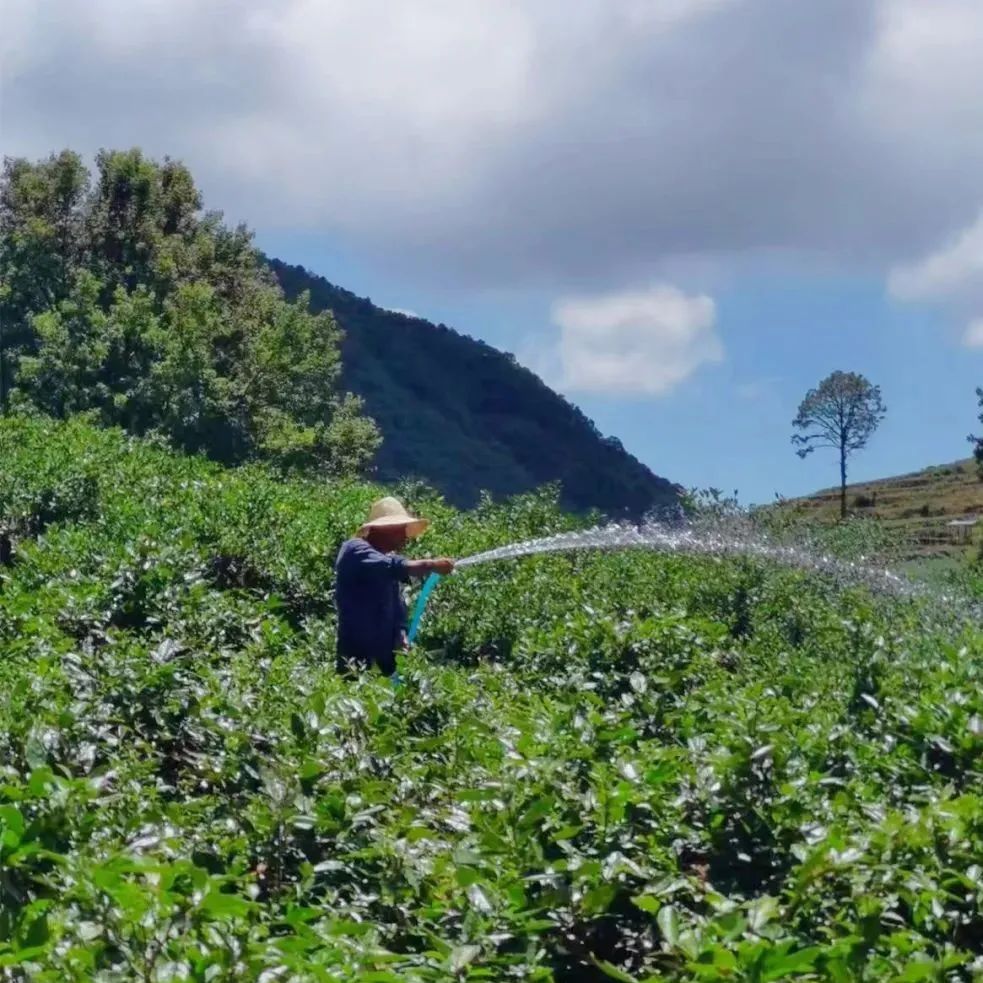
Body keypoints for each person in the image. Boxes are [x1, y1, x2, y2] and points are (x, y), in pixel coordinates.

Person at [334, 497, 455, 677]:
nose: (405, 536)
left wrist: (401, 632)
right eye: (400, 529)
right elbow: (395, 566)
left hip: (384, 658)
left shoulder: (385, 562)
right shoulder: (355, 550)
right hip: (356, 657)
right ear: (384, 529)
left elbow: (397, 606)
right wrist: (432, 565)